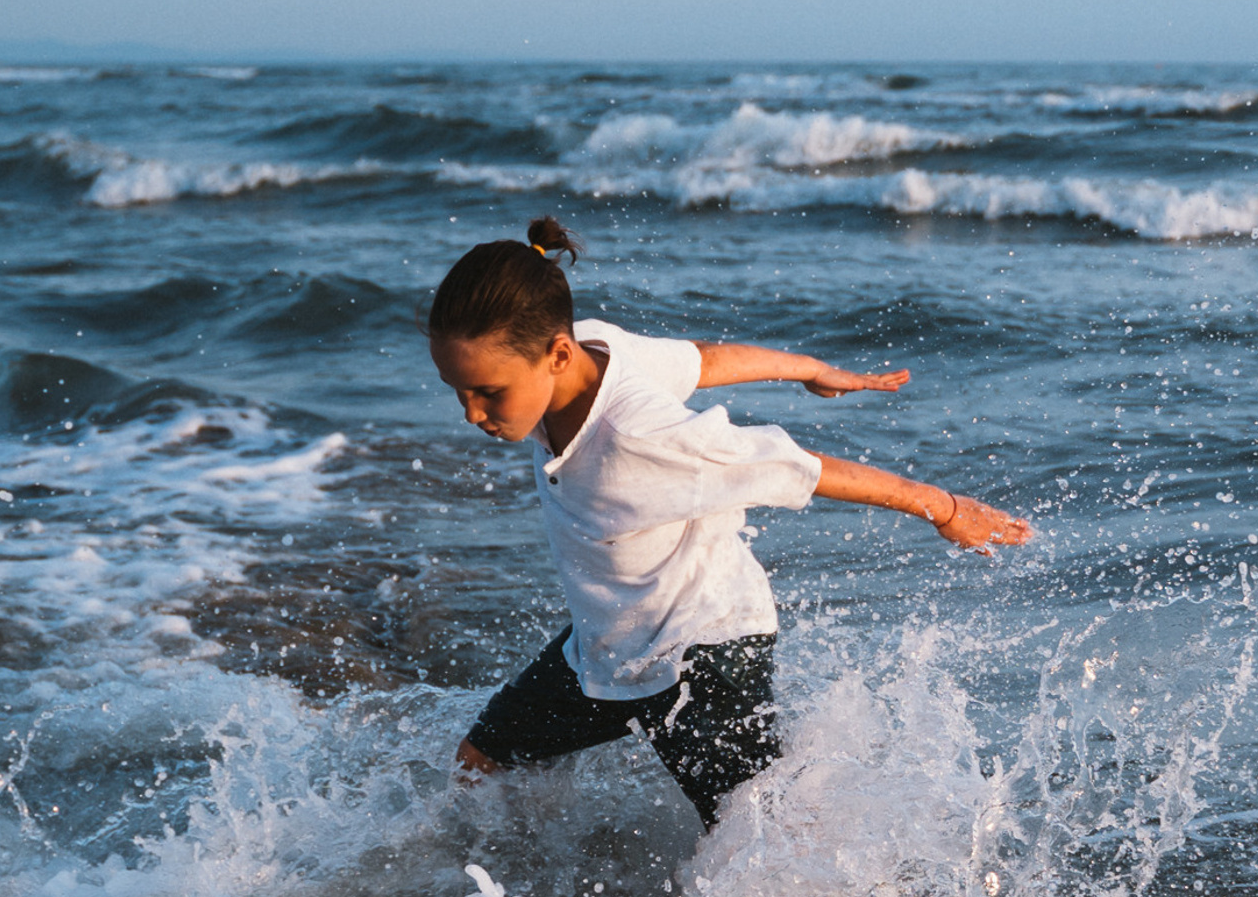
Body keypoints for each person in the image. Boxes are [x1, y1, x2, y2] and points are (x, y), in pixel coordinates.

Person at [427, 217, 1029, 826]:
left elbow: (796, 466)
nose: (472, 413)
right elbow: (702, 362)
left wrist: (944, 508)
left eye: (488, 392)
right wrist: (808, 368)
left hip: (703, 651)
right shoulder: (591, 347)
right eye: (458, 391)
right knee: (480, 763)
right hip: (610, 646)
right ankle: (526, 889)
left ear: (557, 355)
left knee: (760, 838)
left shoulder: (638, 435)